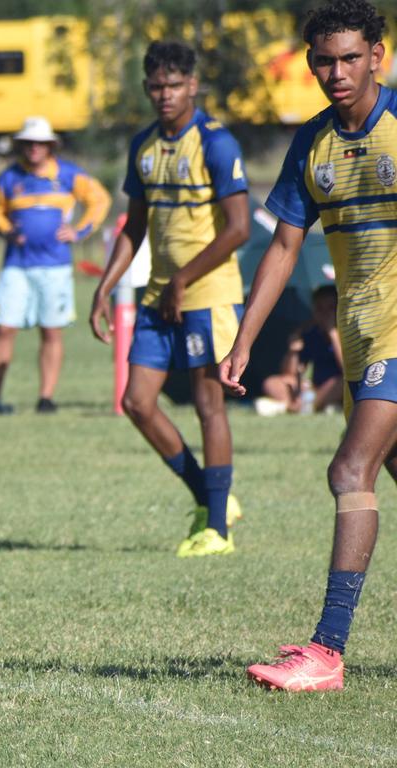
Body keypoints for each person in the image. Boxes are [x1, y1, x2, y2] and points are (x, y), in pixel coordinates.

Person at [221, 0, 395, 691]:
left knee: (350, 473)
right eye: (323, 60)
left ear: (377, 55)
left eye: (350, 57)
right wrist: (245, 339)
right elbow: (285, 247)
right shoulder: (313, 143)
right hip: (357, 336)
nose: (336, 71)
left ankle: (326, 651)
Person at [89, 40, 250, 557]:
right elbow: (133, 227)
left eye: (174, 86)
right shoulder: (144, 145)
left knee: (208, 404)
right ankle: (211, 497)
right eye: (156, 86)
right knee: (136, 402)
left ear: (192, 86)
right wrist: (105, 286)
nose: (165, 95)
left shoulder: (216, 143)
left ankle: (217, 532)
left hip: (208, 293)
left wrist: (184, 279)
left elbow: (240, 228)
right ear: (146, 88)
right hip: (162, 296)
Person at [0, 115, 111, 415]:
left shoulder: (68, 175)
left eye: (40, 143)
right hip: (17, 265)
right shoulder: (10, 178)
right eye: (28, 143)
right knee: (4, 328)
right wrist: (6, 230)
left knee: (51, 331)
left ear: (51, 146)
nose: (34, 148)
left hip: (55, 266)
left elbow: (100, 200)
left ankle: (46, 398)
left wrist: (80, 230)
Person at [254, 284, 343, 416]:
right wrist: (293, 351)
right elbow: (288, 374)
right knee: (271, 382)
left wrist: (332, 334)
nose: (325, 314)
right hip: (310, 388)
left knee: (342, 383)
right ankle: (298, 405)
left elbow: (347, 368)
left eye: (330, 308)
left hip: (334, 386)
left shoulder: (346, 333)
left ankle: (291, 406)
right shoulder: (309, 334)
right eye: (319, 308)